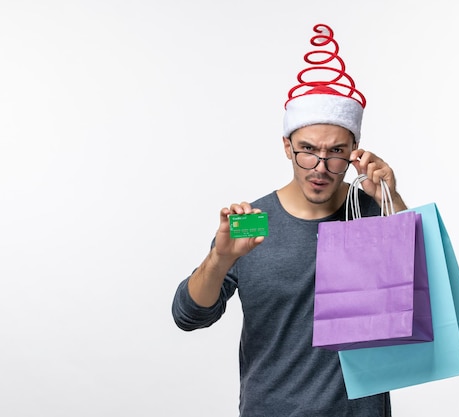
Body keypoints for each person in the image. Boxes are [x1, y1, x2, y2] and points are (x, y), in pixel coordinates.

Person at [172, 23, 408, 417]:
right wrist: (220, 260)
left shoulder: (369, 212)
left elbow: (424, 291)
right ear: (287, 147)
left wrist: (392, 198)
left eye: (336, 152)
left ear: (354, 152)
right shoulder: (254, 223)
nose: (320, 166)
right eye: (307, 150)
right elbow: (188, 316)